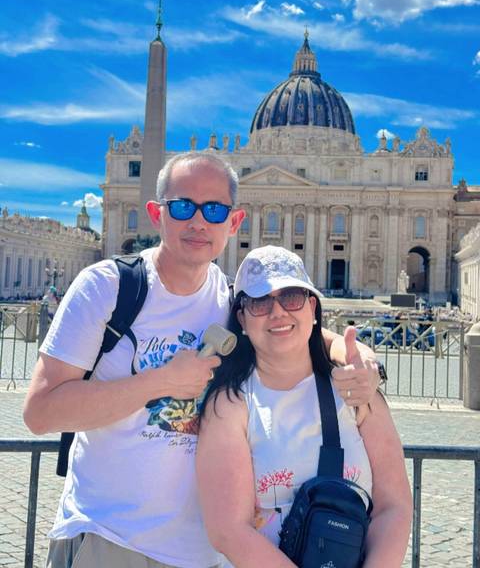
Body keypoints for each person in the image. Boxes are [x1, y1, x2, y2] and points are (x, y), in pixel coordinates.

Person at [24, 152, 380, 568]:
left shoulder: (231, 302)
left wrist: (365, 360)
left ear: (233, 222)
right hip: (110, 539)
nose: (198, 222)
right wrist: (160, 382)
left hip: (204, 553)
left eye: (213, 209)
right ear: (157, 214)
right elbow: (40, 413)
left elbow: (301, 329)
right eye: (182, 207)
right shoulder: (106, 287)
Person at [197, 246, 412, 568]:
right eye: (259, 302)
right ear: (241, 317)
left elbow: (393, 506)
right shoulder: (230, 403)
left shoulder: (358, 389)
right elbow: (228, 530)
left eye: (292, 297)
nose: (278, 312)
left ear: (312, 308)